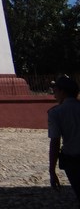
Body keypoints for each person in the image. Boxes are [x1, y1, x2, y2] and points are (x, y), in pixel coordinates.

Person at [48, 74, 80, 203]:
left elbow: (55, 141)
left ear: (62, 91)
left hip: (74, 160)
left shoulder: (56, 112)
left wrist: (52, 170)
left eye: (55, 91)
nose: (54, 94)